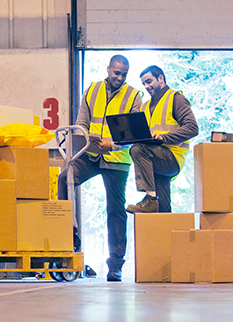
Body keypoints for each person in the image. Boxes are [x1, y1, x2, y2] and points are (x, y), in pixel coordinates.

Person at [58, 55, 142, 282]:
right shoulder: (92, 89)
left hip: (116, 158)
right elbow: (81, 123)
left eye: (124, 74)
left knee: (115, 211)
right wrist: (87, 138)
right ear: (108, 69)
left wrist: (112, 145)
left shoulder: (134, 96)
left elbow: (134, 134)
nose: (120, 77)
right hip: (90, 153)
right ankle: (67, 243)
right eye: (116, 72)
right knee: (65, 179)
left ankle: (115, 265)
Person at [125, 66, 198, 214]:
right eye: (144, 83)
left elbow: (192, 128)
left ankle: (150, 199)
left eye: (149, 81)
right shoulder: (145, 107)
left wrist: (164, 138)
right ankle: (163, 230)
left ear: (161, 78)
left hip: (171, 157)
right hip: (154, 156)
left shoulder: (175, 98)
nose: (146, 86)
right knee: (163, 207)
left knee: (138, 149)